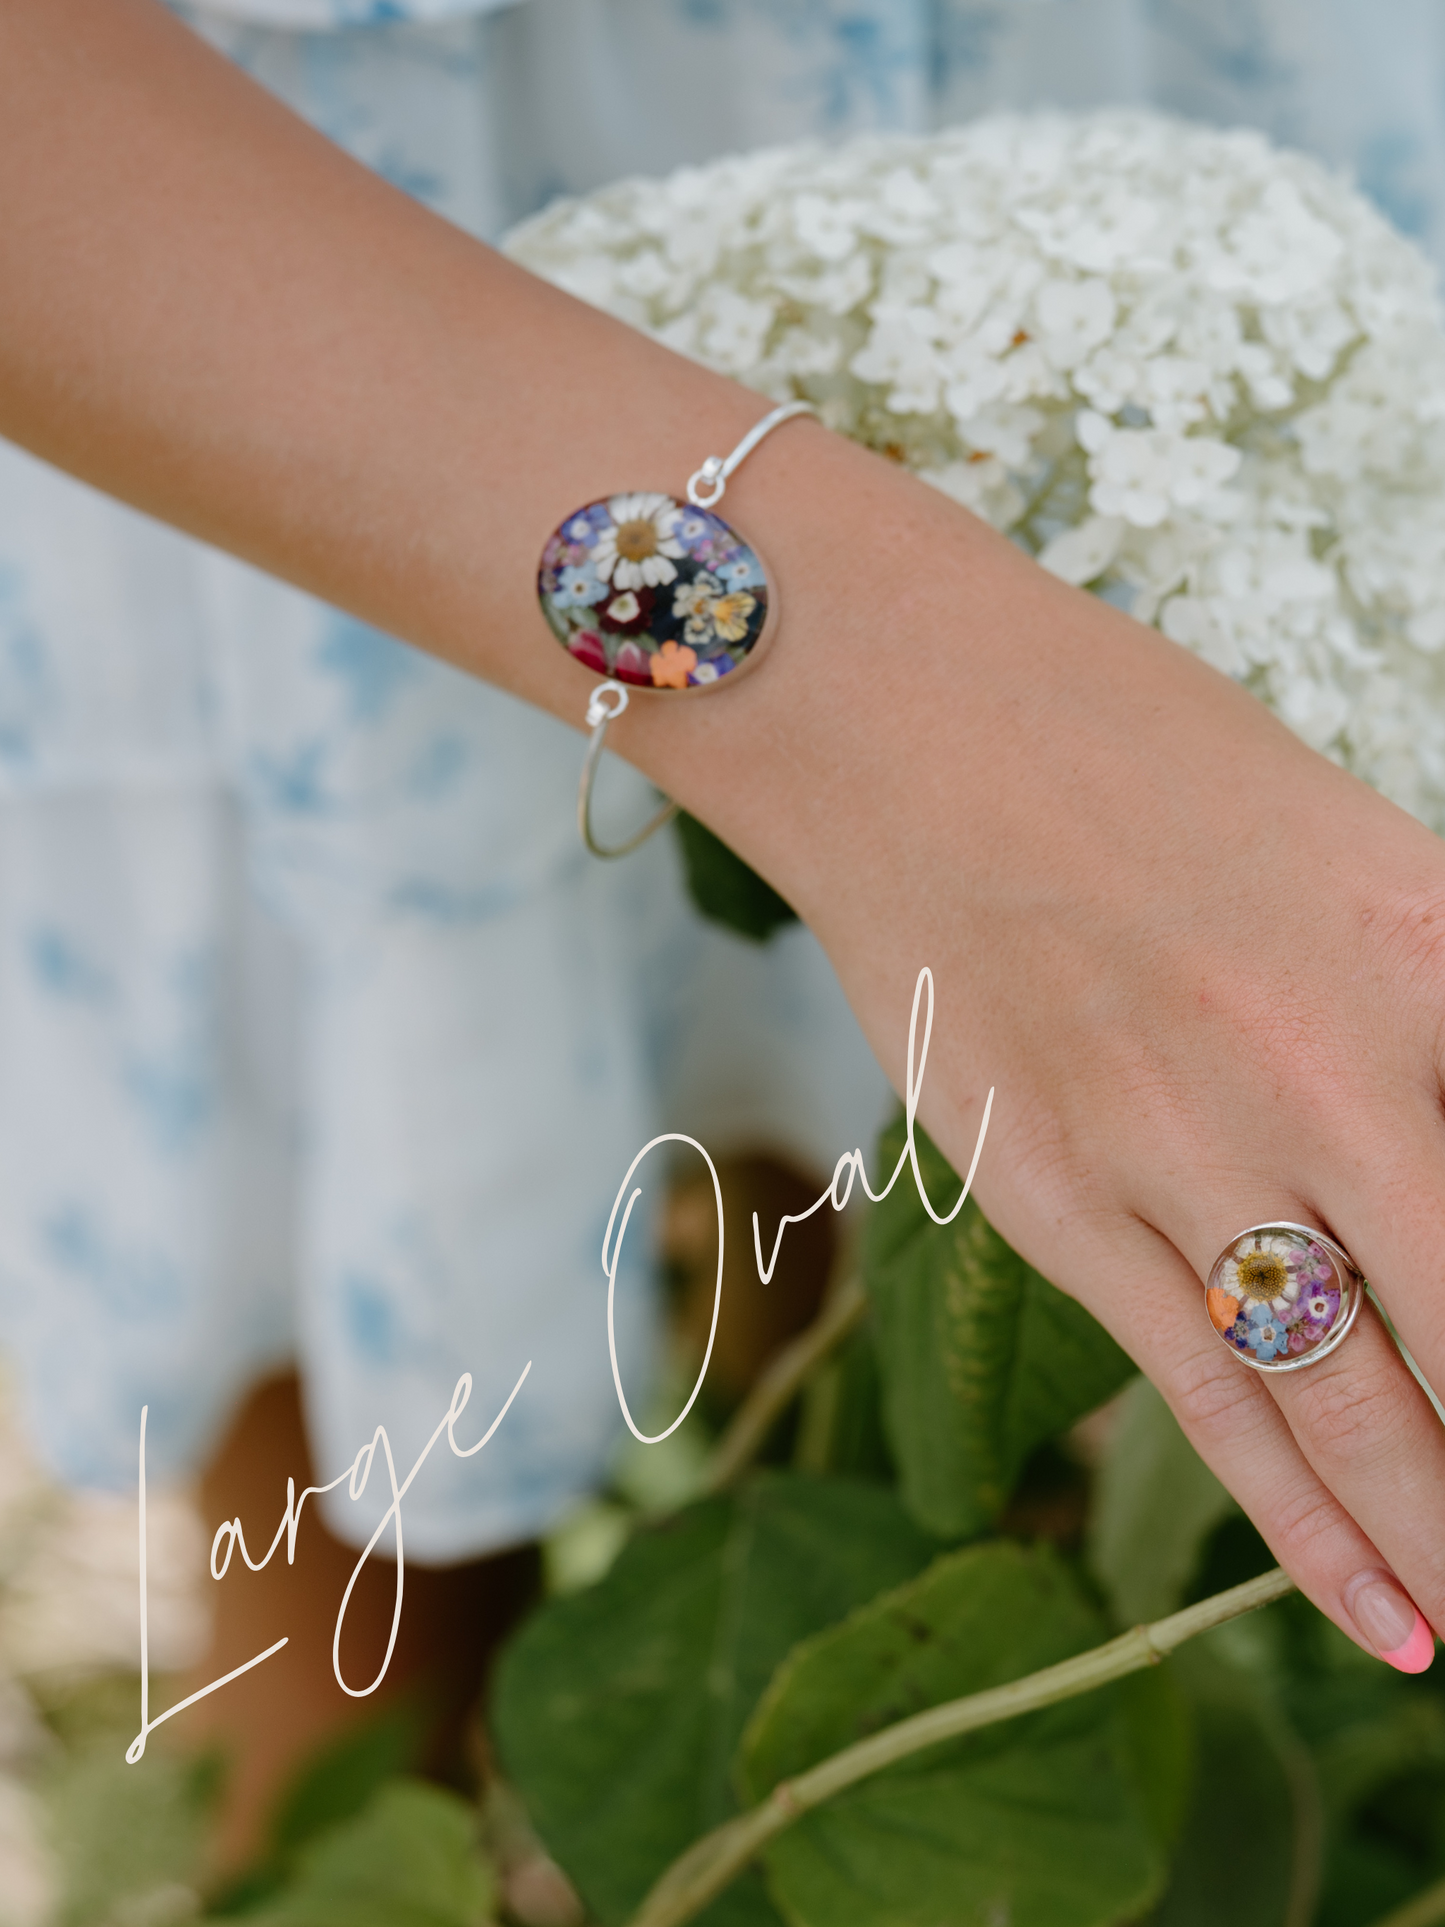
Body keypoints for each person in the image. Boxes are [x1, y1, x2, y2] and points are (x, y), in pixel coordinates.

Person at [5, 0, 1445, 1863]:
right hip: (251, 259)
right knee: (356, 1414)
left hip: (1154, 158)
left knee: (923, 1307)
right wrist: (898, 692)